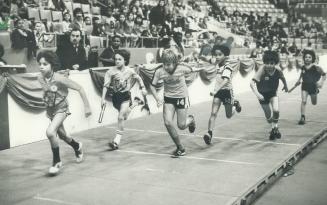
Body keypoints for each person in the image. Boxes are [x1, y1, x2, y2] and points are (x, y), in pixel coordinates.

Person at [36, 50, 92, 175]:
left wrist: (87, 107)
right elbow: (47, 91)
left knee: (50, 132)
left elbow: (80, 88)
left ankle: (57, 162)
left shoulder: (60, 79)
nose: (41, 66)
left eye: (45, 64)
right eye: (40, 64)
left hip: (61, 109)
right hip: (51, 111)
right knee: (62, 136)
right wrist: (45, 99)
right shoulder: (40, 78)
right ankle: (77, 146)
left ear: (52, 65)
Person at [151, 49, 201, 157]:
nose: (166, 67)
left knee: (181, 125)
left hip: (182, 97)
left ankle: (191, 120)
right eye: (164, 64)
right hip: (168, 98)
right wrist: (157, 98)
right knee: (168, 123)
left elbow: (194, 69)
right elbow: (152, 85)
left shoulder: (182, 68)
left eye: (168, 64)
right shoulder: (160, 71)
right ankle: (180, 147)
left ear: (174, 63)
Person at [101, 49, 147, 150]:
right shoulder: (110, 72)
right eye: (116, 59)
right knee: (124, 117)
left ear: (125, 60)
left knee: (121, 117)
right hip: (116, 97)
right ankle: (135, 103)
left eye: (119, 59)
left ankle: (116, 142)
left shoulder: (130, 71)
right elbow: (105, 86)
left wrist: (143, 88)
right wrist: (102, 99)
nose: (117, 61)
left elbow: (138, 78)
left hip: (126, 96)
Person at [203, 44, 242, 145]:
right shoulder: (217, 63)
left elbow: (225, 80)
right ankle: (209, 133)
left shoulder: (227, 67)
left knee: (228, 115)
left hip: (227, 92)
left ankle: (235, 104)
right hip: (218, 93)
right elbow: (210, 60)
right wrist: (201, 57)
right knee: (213, 113)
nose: (217, 57)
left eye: (219, 55)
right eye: (215, 55)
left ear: (226, 56)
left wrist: (216, 90)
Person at [250, 50, 289, 140]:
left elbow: (282, 78)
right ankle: (273, 127)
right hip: (262, 96)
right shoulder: (262, 69)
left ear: (275, 63)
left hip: (272, 93)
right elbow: (251, 83)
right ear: (264, 63)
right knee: (269, 119)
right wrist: (257, 94)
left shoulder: (278, 70)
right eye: (267, 63)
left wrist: (286, 86)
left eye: (272, 63)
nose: (269, 66)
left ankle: (275, 128)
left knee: (276, 110)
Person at [289, 50, 326, 125]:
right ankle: (302, 117)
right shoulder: (303, 67)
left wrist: (321, 82)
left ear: (312, 59)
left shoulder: (316, 67)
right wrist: (298, 81)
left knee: (314, 103)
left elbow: (324, 74)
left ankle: (316, 91)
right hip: (305, 86)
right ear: (304, 58)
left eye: (309, 57)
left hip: (313, 87)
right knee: (304, 101)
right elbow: (302, 75)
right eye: (306, 57)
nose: (307, 58)